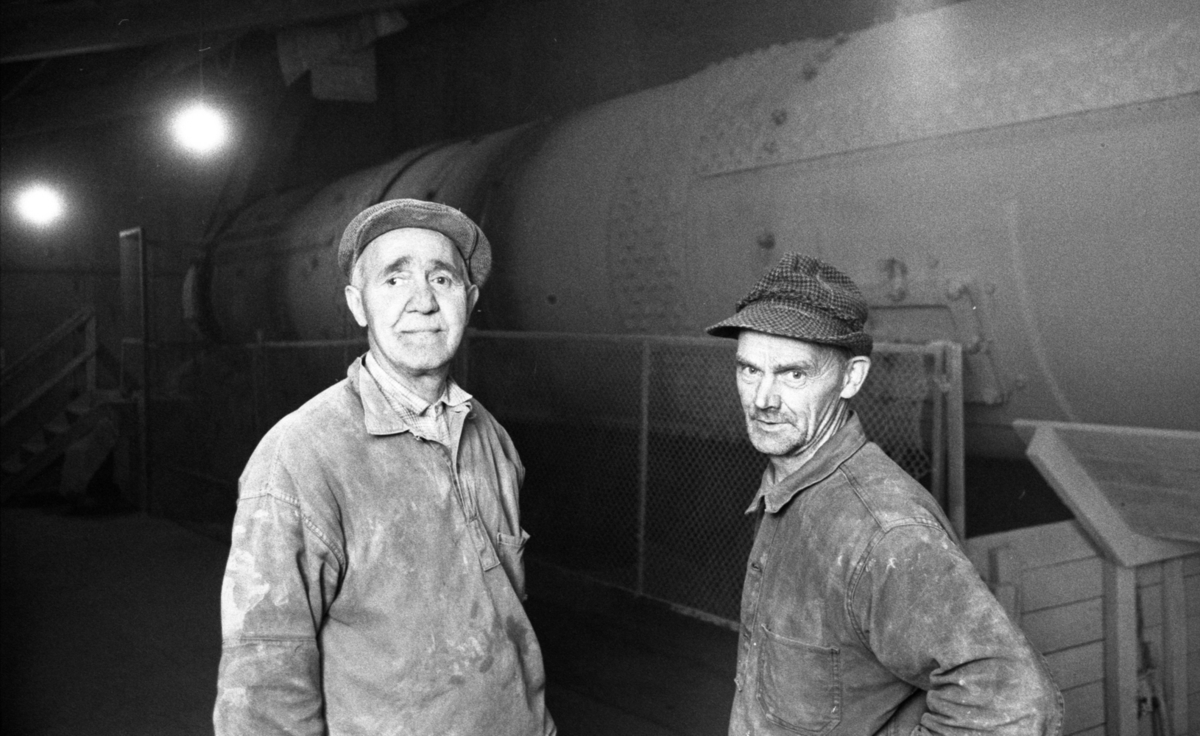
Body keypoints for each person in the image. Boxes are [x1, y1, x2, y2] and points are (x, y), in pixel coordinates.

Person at [214, 199, 556, 736]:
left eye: (442, 279)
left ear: (469, 300)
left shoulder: (490, 438)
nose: (423, 301)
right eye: (394, 279)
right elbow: (263, 684)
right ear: (358, 304)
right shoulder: (300, 457)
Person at [706, 254, 1062, 735]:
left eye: (794, 375)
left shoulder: (881, 530)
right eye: (749, 370)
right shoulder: (790, 488)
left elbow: (1015, 702)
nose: (762, 399)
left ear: (851, 378)